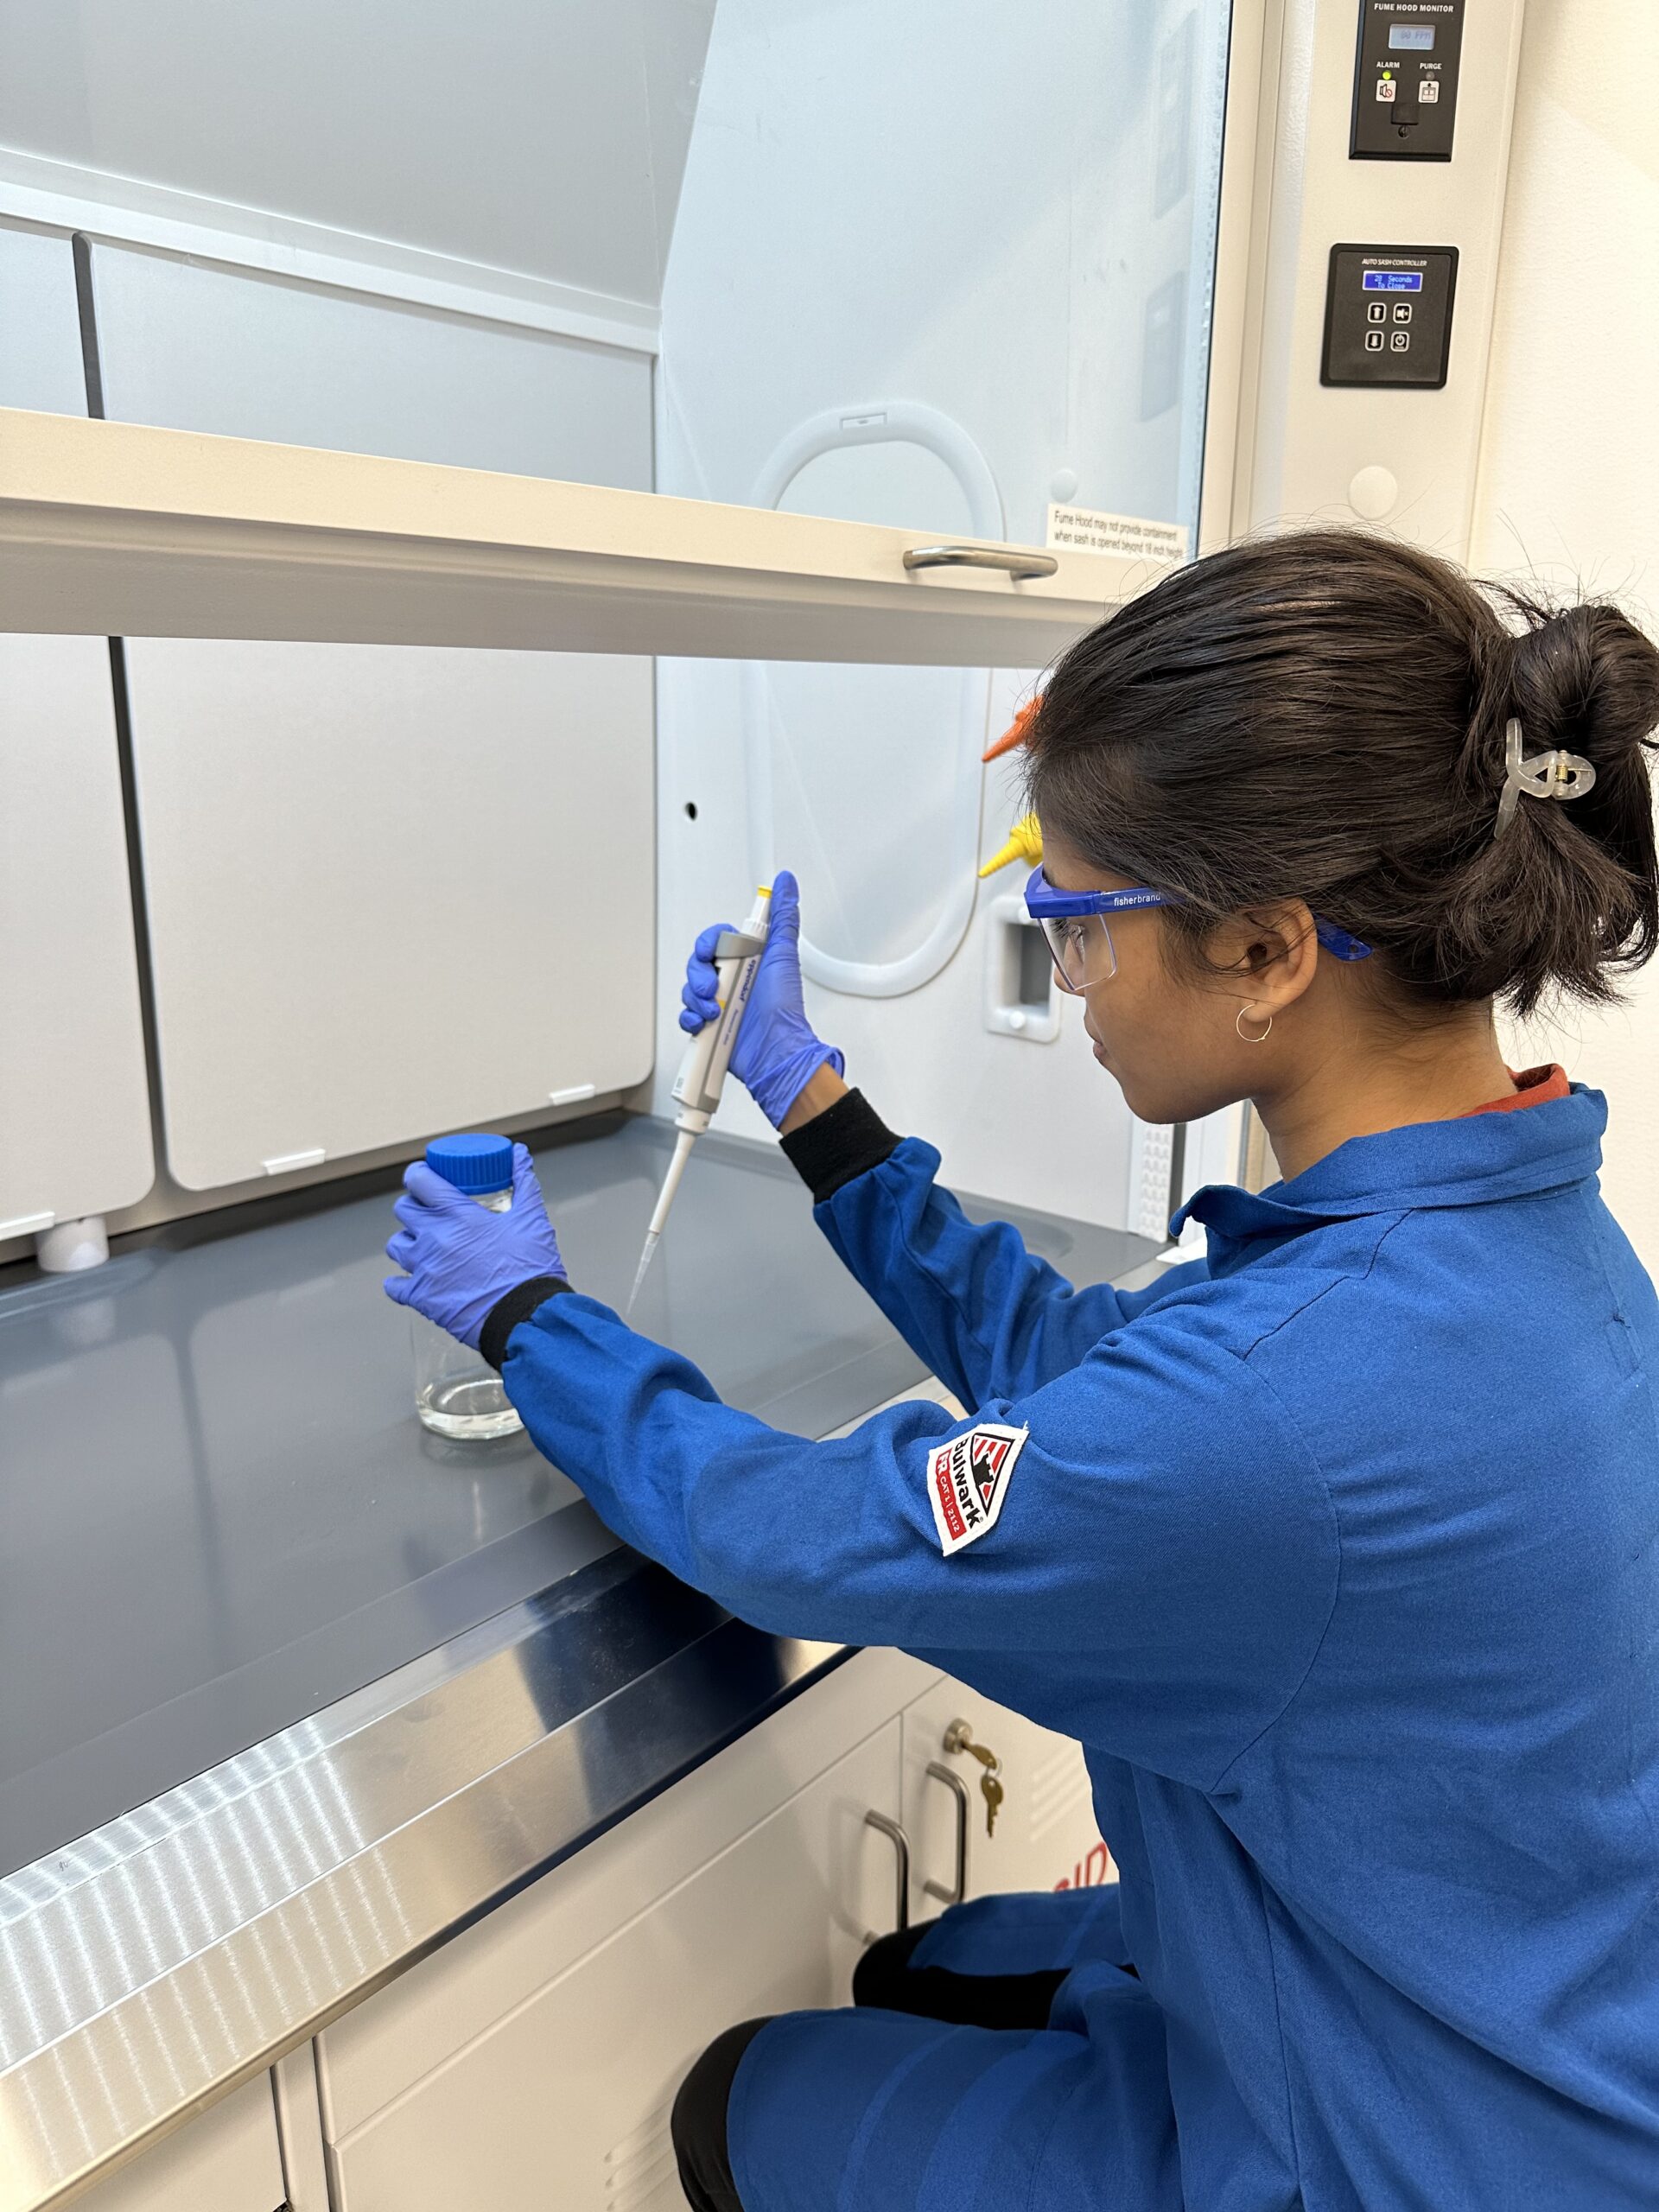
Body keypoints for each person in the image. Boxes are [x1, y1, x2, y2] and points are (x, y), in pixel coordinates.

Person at [384, 530, 1659, 2211]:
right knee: (921, 1959)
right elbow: (1099, 1376)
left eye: (1073, 922)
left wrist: (530, 1318)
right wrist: (824, 1112)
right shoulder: (1519, 1229)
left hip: (1386, 2151)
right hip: (1494, 2019)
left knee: (740, 2095)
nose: (1068, 982)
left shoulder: (1285, 1396)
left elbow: (804, 1531)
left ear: (1271, 948)